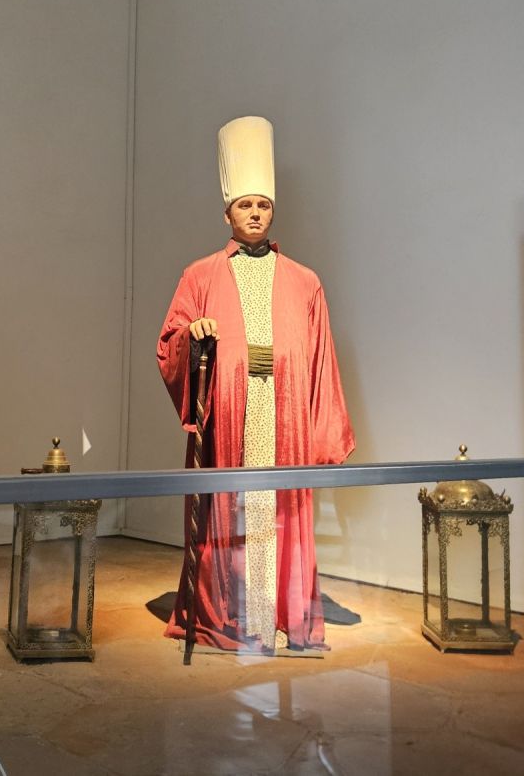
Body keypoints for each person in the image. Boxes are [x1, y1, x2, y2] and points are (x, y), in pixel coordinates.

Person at [156, 115, 355, 654]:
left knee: (279, 511)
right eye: (245, 204)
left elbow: (322, 360)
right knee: (233, 512)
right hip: (230, 413)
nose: (255, 213)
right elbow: (170, 342)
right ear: (227, 212)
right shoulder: (200, 274)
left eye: (263, 204)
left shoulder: (305, 281)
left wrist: (323, 434)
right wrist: (194, 337)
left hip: (283, 413)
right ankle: (234, 614)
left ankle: (279, 613)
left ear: (273, 211)